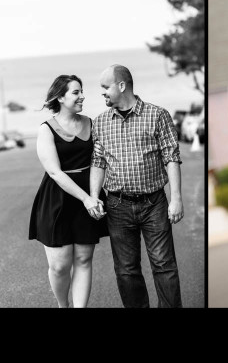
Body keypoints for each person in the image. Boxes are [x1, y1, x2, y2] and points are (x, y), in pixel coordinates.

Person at [90, 64, 184, 308]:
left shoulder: (157, 115)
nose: (102, 93)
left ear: (121, 86)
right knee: (126, 270)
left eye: (105, 87)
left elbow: (171, 157)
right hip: (117, 206)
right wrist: (93, 196)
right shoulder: (100, 123)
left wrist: (176, 198)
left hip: (154, 203)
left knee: (164, 265)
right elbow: (98, 162)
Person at [29, 75, 109, 308]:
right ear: (61, 97)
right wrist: (86, 199)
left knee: (84, 259)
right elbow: (54, 172)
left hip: (89, 194)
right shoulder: (46, 129)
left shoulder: (91, 123)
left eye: (81, 91)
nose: (82, 96)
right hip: (57, 200)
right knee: (60, 265)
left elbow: (99, 161)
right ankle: (63, 305)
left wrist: (93, 196)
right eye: (76, 92)